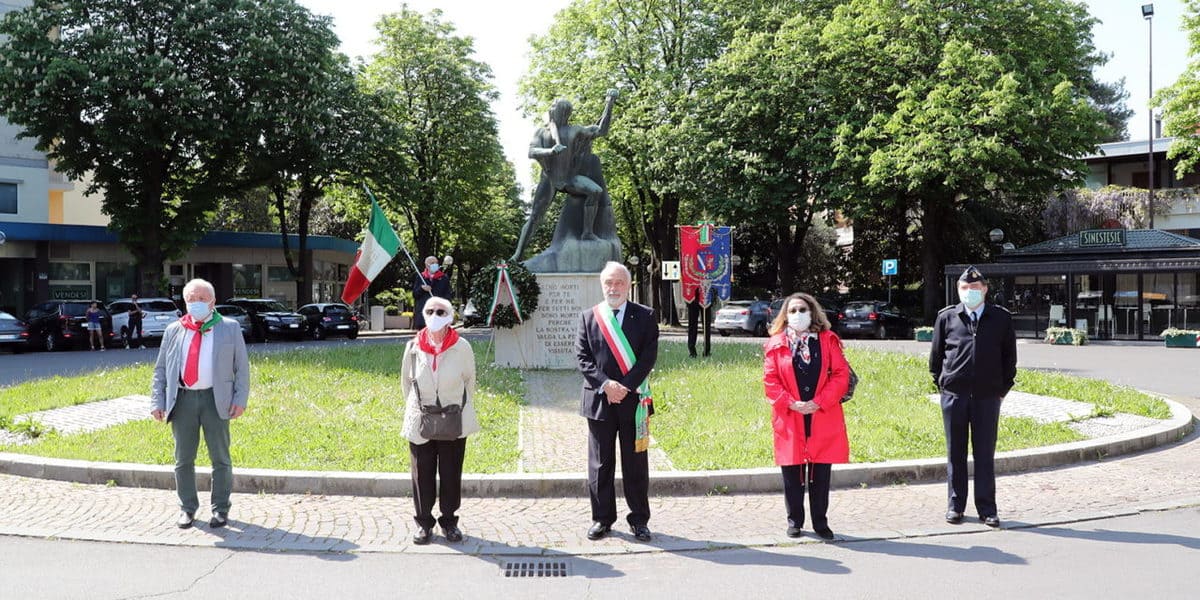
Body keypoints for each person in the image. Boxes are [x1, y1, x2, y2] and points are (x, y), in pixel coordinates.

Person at [150, 278, 250, 529]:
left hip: (216, 399)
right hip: (182, 399)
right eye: (191, 300)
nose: (196, 304)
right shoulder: (174, 330)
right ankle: (187, 508)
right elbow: (160, 369)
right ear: (184, 302)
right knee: (183, 459)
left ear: (213, 302)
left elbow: (242, 368)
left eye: (201, 299)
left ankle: (220, 509)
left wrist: (240, 399)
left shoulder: (229, 327)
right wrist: (157, 400)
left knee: (220, 458)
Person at [575, 262, 658, 542]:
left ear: (629, 285)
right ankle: (602, 519)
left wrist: (624, 386)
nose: (614, 288)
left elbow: (648, 356)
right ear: (602, 285)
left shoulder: (645, 316)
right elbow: (583, 358)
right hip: (599, 401)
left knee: (635, 463)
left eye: (619, 282)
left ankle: (639, 520)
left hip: (633, 401)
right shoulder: (589, 317)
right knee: (600, 464)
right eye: (609, 283)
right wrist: (606, 385)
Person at [929, 266, 1017, 528]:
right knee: (955, 452)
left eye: (975, 288)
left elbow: (1009, 359)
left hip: (987, 397)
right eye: (965, 288)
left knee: (984, 454)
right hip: (954, 396)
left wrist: (1001, 391)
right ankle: (955, 505)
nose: (970, 292)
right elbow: (936, 360)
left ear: (985, 290)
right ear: (958, 290)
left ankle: (987, 508)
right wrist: (944, 386)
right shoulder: (947, 318)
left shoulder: (1000, 318)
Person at [762, 292, 850, 540]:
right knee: (793, 472)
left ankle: (821, 522)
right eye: (792, 311)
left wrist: (819, 402)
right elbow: (770, 380)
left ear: (812, 312)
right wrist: (792, 404)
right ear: (785, 316)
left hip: (822, 415)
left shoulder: (827, 340)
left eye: (802, 310)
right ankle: (795, 521)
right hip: (790, 416)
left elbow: (840, 375)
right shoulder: (776, 343)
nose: (797, 315)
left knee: (821, 473)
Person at [400, 296, 479, 545]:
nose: (435, 315)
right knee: (421, 473)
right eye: (430, 310)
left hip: (453, 418)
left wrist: (453, 404)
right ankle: (424, 523)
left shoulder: (462, 346)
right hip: (421, 419)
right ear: (424, 314)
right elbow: (406, 383)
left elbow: (470, 381)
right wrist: (420, 408)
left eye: (441, 311)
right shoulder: (413, 347)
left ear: (450, 317)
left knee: (451, 471)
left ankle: (449, 521)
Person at [510, 90, 618, 262]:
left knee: (595, 191)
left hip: (570, 178)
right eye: (552, 106)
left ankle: (587, 233)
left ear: (564, 112)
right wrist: (550, 151)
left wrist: (609, 103)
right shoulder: (542, 132)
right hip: (550, 179)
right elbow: (531, 152)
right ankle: (518, 254)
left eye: (555, 107)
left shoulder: (575, 131)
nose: (552, 109)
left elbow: (601, 131)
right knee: (535, 216)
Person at [412, 256, 451, 331]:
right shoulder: (420, 277)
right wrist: (422, 289)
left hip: (438, 314)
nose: (435, 265)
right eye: (432, 263)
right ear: (427, 265)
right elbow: (415, 294)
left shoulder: (443, 278)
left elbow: (448, 295)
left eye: (436, 263)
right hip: (423, 315)